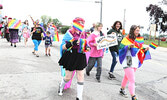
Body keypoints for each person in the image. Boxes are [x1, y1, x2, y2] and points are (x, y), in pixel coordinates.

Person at [58, 17, 89, 100]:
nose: (81, 24)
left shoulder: (84, 33)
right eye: (79, 22)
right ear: (75, 23)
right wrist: (72, 42)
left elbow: (85, 44)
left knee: (81, 76)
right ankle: (61, 87)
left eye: (82, 22)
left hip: (80, 56)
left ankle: (79, 97)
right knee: (67, 77)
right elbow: (63, 47)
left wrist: (87, 47)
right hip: (71, 56)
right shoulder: (69, 33)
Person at [119, 25, 150, 100]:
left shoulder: (139, 39)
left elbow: (139, 49)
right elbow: (121, 48)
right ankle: (133, 96)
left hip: (135, 61)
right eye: (136, 30)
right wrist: (128, 46)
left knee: (127, 77)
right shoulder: (126, 39)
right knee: (132, 80)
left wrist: (145, 49)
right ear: (132, 30)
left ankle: (122, 89)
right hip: (128, 60)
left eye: (138, 30)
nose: (138, 32)